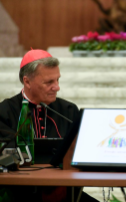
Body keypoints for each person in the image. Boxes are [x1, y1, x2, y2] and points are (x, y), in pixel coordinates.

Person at [0, 49, 97, 202]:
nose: (57, 87)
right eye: (49, 82)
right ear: (27, 81)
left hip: (65, 193)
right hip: (21, 195)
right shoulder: (5, 111)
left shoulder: (69, 110)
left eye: (58, 80)